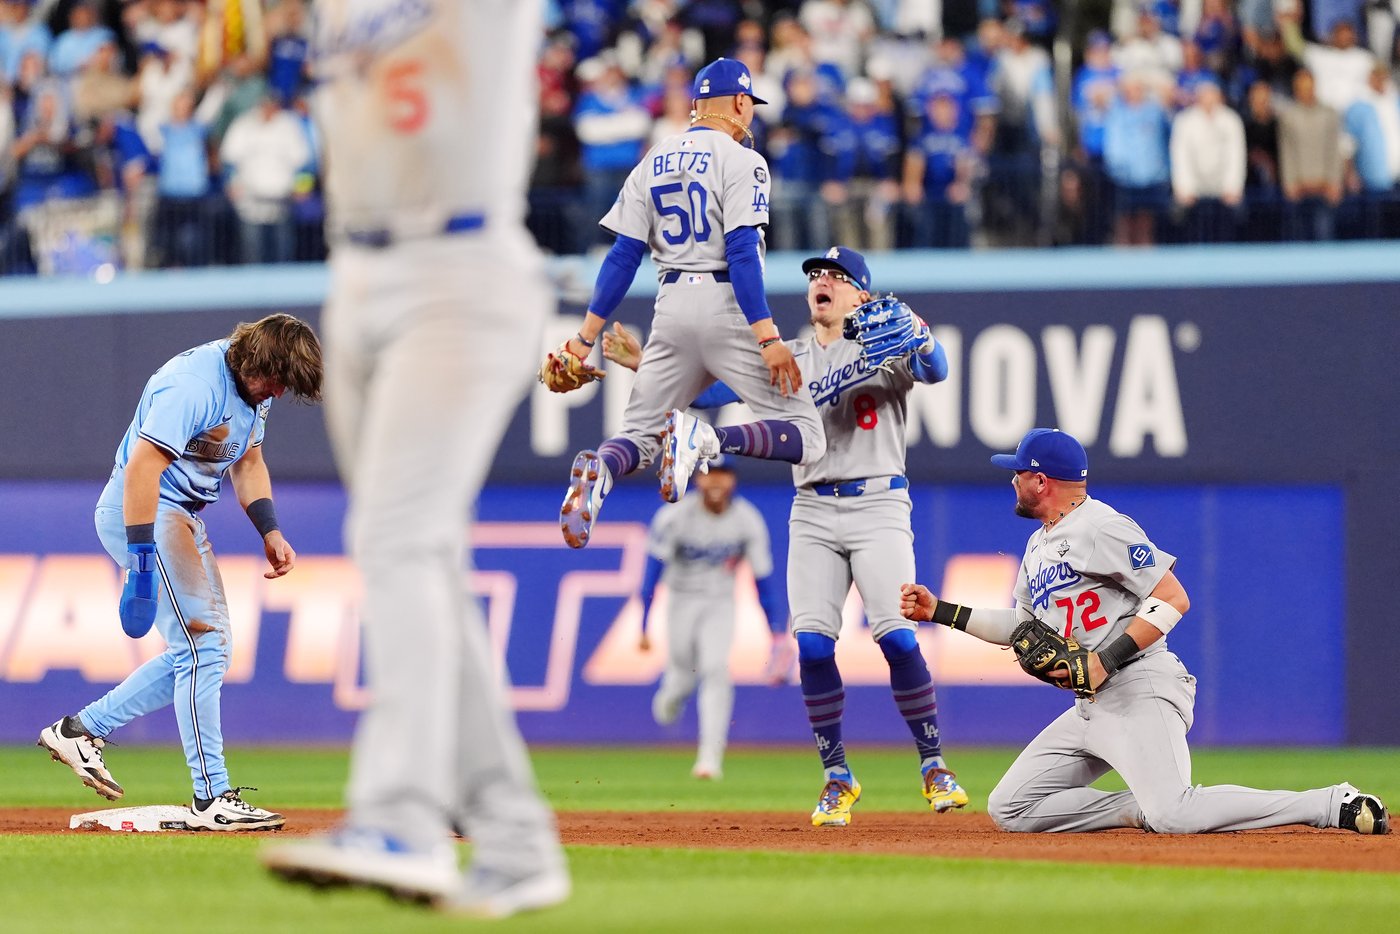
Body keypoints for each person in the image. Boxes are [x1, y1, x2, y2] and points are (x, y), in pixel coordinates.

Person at [259, 1, 570, 919]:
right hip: (353, 274)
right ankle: (514, 843)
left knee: (394, 535)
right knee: (419, 550)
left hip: (460, 267)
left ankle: (400, 818)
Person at [603, 246, 965, 828]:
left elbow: (936, 368)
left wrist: (921, 337)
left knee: (896, 636)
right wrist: (645, 362)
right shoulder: (787, 355)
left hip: (878, 503)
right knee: (815, 646)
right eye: (816, 275)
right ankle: (836, 776)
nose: (822, 282)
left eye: (836, 276)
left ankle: (933, 763)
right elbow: (706, 392)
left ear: (860, 295)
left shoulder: (882, 340)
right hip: (813, 509)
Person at [899, 428, 1390, 836]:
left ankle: (1329, 803)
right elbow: (1022, 626)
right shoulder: (1036, 545)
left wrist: (1102, 659)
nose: (1013, 480)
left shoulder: (1103, 527)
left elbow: (1174, 597)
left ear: (1041, 480)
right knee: (1011, 808)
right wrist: (940, 610)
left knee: (1176, 813)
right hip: (1090, 704)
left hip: (1140, 685)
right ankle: (1138, 808)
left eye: (1019, 472)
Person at [37, 313, 322, 832]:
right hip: (145, 511)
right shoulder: (192, 385)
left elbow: (249, 461)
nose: (279, 393)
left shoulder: (254, 393)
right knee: (204, 647)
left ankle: (81, 729)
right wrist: (141, 560)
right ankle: (210, 795)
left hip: (181, 515)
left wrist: (270, 530)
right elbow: (143, 468)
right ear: (257, 360)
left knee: (204, 649)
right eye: (279, 379)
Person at [549, 56, 825, 551]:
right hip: (725, 301)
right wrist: (767, 336)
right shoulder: (743, 160)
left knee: (639, 436)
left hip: (670, 304)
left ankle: (602, 472)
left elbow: (622, 257)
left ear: (697, 104)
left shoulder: (652, 158)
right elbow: (742, 254)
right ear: (741, 101)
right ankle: (709, 440)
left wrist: (582, 339)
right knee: (809, 436)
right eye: (751, 105)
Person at [638, 457, 783, 780]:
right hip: (680, 600)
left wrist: (774, 631)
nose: (716, 482)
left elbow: (763, 582)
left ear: (733, 480)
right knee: (683, 672)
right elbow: (652, 573)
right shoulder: (674, 516)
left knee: (716, 669)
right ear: (697, 480)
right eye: (708, 474)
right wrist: (643, 624)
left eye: (723, 474)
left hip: (720, 602)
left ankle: (709, 759)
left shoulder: (747, 520)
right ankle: (673, 692)